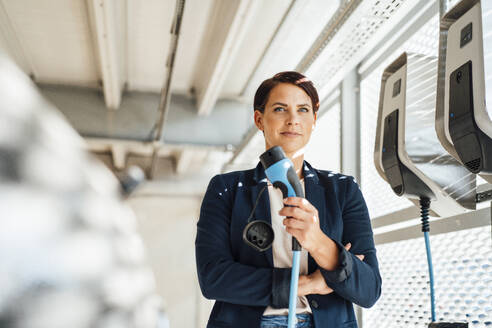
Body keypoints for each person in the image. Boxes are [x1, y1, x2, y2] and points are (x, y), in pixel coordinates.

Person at [195, 71, 381, 328]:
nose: (293, 120)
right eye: (281, 109)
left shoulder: (343, 190)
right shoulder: (226, 189)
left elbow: (369, 288)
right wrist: (306, 284)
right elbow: (213, 278)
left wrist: (317, 241)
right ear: (260, 120)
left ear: (314, 120)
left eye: (303, 110)